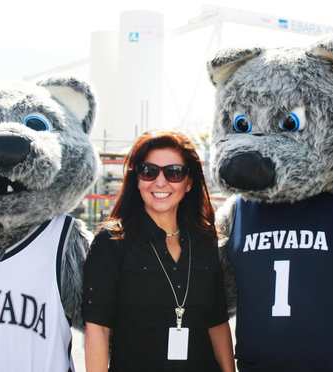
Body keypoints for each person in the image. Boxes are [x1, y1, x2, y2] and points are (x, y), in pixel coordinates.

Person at [82, 130, 235, 372]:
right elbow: (97, 328)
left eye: (174, 173)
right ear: (137, 180)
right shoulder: (111, 242)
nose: (160, 182)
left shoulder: (205, 239)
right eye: (149, 171)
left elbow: (216, 322)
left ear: (189, 183)